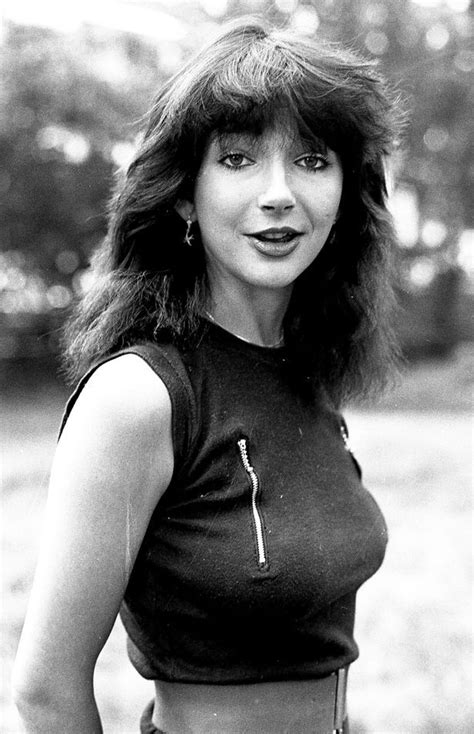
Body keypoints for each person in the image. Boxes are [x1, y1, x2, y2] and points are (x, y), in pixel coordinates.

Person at [13, 17, 403, 734]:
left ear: (347, 194)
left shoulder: (310, 374)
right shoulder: (140, 398)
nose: (280, 192)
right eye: (238, 159)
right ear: (185, 195)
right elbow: (46, 692)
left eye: (313, 160)